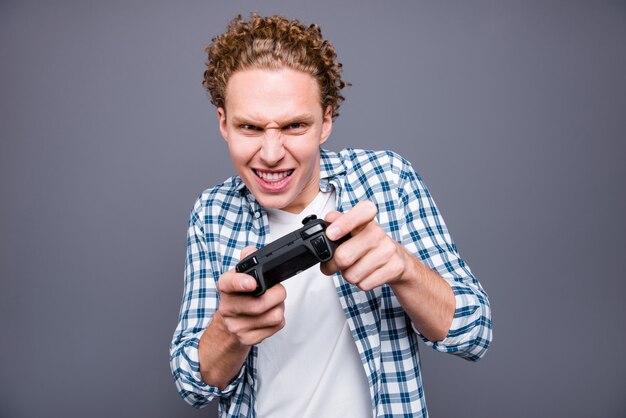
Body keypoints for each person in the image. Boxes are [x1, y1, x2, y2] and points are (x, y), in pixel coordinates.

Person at [170, 13, 492, 418]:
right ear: (224, 123)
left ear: (326, 121)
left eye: (295, 126)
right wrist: (227, 331)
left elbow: (474, 333)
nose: (271, 154)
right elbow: (191, 384)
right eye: (250, 127)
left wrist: (404, 269)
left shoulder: (388, 180)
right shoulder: (212, 212)